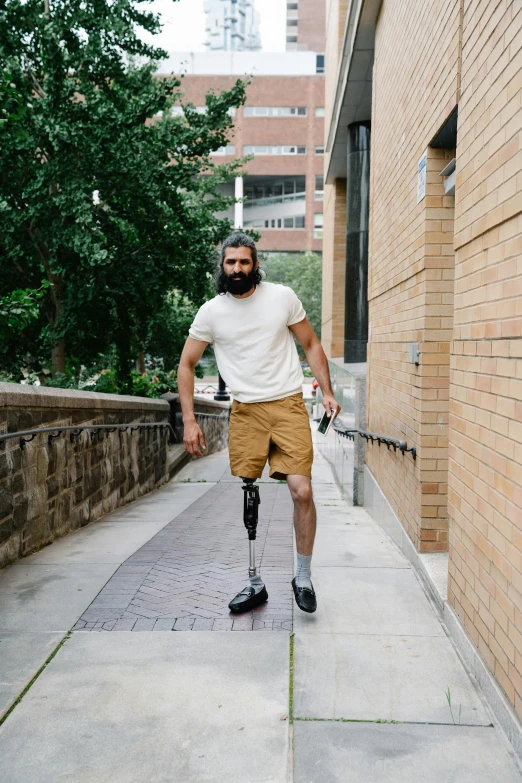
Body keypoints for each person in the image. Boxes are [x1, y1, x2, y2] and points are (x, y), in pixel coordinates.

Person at [177, 233, 341, 614]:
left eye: (244, 262)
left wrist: (328, 391)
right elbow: (186, 364)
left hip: (287, 405)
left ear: (255, 263)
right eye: (231, 262)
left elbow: (311, 344)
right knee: (249, 493)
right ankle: (254, 582)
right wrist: (189, 420)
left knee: (301, 491)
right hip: (246, 411)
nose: (237, 269)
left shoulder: (281, 297)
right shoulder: (211, 312)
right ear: (223, 266)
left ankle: (302, 577)